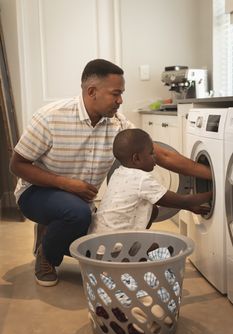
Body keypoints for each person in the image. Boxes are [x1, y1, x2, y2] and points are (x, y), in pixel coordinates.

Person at [10, 58, 211, 287]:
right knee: (77, 214)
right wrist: (66, 183)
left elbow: (160, 154)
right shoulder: (50, 117)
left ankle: (56, 229)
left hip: (78, 199)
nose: (120, 100)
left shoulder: (117, 123)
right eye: (116, 94)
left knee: (107, 230)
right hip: (36, 192)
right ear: (92, 91)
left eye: (121, 93)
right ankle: (47, 254)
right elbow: (17, 165)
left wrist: (211, 173)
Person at [89, 128, 212, 234]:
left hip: (99, 239)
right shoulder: (141, 179)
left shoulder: (119, 173)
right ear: (136, 158)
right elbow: (182, 200)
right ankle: (138, 256)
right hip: (116, 246)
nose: (155, 157)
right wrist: (216, 192)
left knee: (152, 209)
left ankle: (142, 250)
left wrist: (190, 207)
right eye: (151, 153)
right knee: (164, 252)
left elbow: (168, 202)